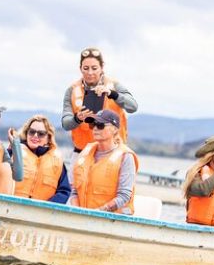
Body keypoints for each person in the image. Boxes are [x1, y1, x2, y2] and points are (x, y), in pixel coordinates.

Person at [61, 47, 138, 177]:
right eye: (86, 68)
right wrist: (77, 118)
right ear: (80, 68)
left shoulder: (114, 86)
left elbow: (133, 106)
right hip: (82, 153)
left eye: (94, 68)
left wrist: (112, 94)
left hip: (112, 154)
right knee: (75, 193)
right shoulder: (72, 90)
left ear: (102, 67)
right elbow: (65, 123)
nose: (90, 72)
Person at [69, 109, 139, 215]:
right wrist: (77, 212)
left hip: (112, 220)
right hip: (82, 217)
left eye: (100, 125)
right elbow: (74, 191)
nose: (95, 129)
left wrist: (98, 213)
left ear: (115, 130)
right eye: (93, 125)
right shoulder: (85, 152)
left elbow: (124, 196)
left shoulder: (126, 156)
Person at [12, 115, 70, 203]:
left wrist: (46, 208)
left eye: (41, 134)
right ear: (26, 133)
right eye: (31, 132)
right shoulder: (14, 151)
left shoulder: (57, 161)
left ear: (48, 138)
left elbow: (64, 192)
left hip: (41, 213)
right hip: (11, 208)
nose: (35, 136)